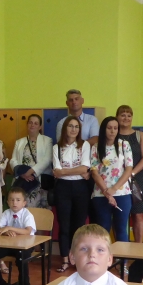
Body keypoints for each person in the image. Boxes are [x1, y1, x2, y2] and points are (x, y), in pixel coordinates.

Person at [52, 115, 92, 272]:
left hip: (81, 188)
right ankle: (64, 259)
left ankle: (77, 258)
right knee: (64, 225)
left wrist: (64, 171)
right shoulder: (57, 147)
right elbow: (56, 171)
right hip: (62, 188)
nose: (73, 129)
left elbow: (85, 168)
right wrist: (75, 171)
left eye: (76, 127)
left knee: (79, 225)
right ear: (65, 129)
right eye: (70, 126)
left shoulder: (84, 145)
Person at [90, 116, 133, 242]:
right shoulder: (96, 147)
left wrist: (114, 189)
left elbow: (128, 169)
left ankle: (123, 255)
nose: (112, 131)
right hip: (101, 193)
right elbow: (94, 172)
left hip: (122, 193)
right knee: (103, 230)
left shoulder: (124, 145)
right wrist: (107, 192)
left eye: (115, 128)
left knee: (121, 229)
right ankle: (104, 255)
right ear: (104, 129)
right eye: (109, 128)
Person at [116, 105, 143, 243]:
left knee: (137, 214)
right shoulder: (113, 134)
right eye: (122, 115)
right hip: (117, 180)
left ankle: (138, 248)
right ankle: (121, 247)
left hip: (136, 180)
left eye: (129, 115)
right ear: (117, 117)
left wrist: (131, 173)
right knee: (120, 215)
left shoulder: (139, 135)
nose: (126, 118)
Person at [10, 113, 53, 208]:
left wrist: (30, 172)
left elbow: (47, 160)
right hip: (22, 181)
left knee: (40, 212)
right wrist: (22, 173)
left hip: (39, 181)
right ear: (27, 124)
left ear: (40, 126)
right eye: (30, 122)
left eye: (36, 123)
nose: (32, 125)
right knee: (22, 209)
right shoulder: (19, 142)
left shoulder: (47, 141)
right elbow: (13, 160)